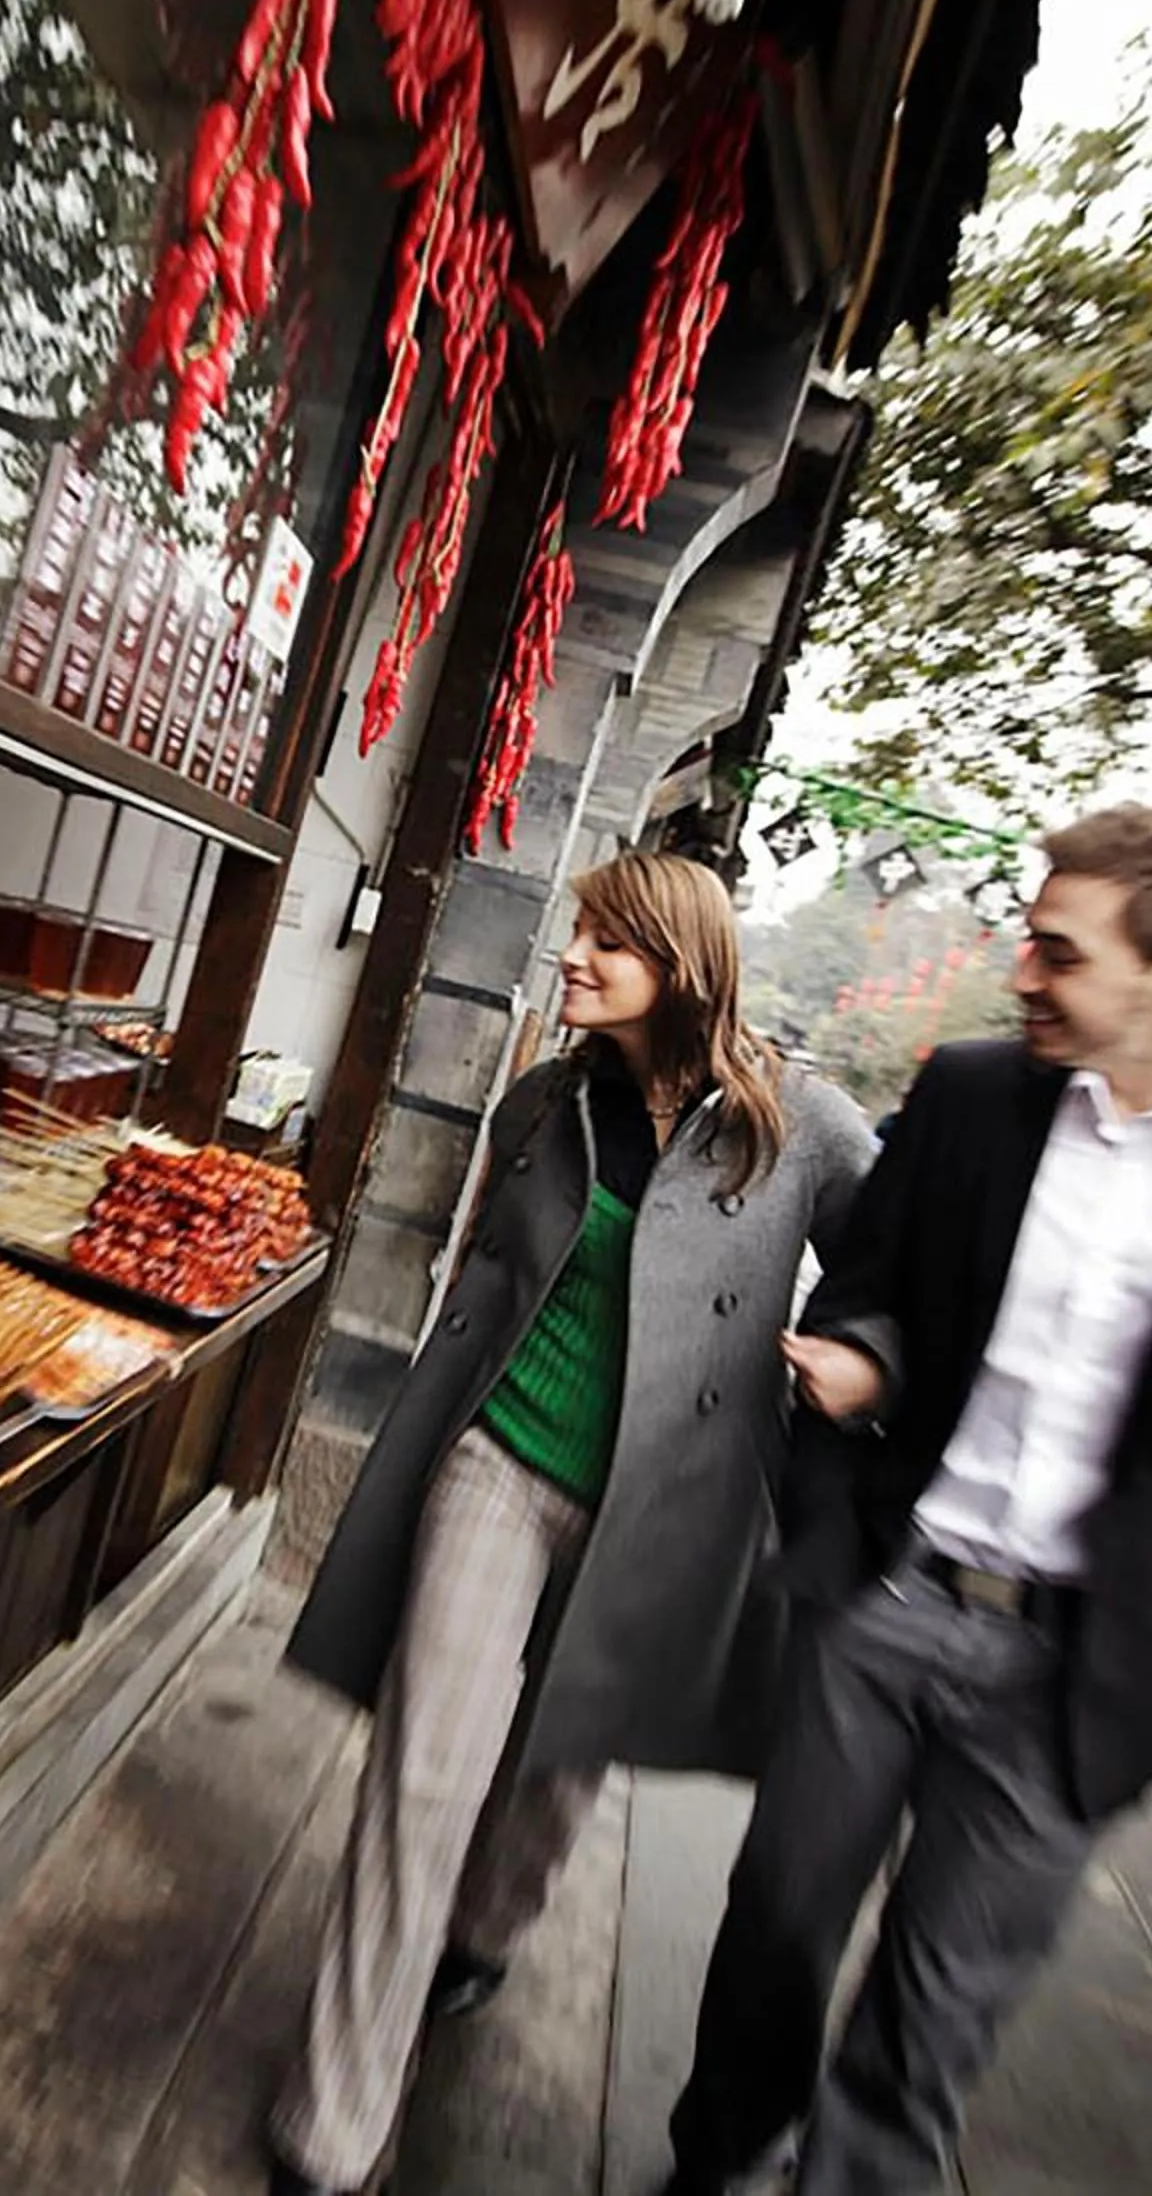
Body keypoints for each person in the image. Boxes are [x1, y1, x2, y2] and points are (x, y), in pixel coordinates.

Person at [664, 806, 1152, 2196]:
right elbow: (870, 1279)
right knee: (774, 1922)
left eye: (1060, 952)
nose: (1023, 971)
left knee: (933, 2007)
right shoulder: (968, 1095)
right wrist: (864, 1362)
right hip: (886, 1596)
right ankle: (715, 2164)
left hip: (1082, 1669)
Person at [271, 852, 880, 2196]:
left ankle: (486, 1931)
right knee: (423, 1777)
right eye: (581, 926)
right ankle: (332, 2123)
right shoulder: (547, 1102)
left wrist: (865, 1356)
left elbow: (902, 1265)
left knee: (563, 1760)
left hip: (668, 1508)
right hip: (499, 1460)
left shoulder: (800, 1124)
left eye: (611, 936)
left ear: (684, 962)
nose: (576, 950)